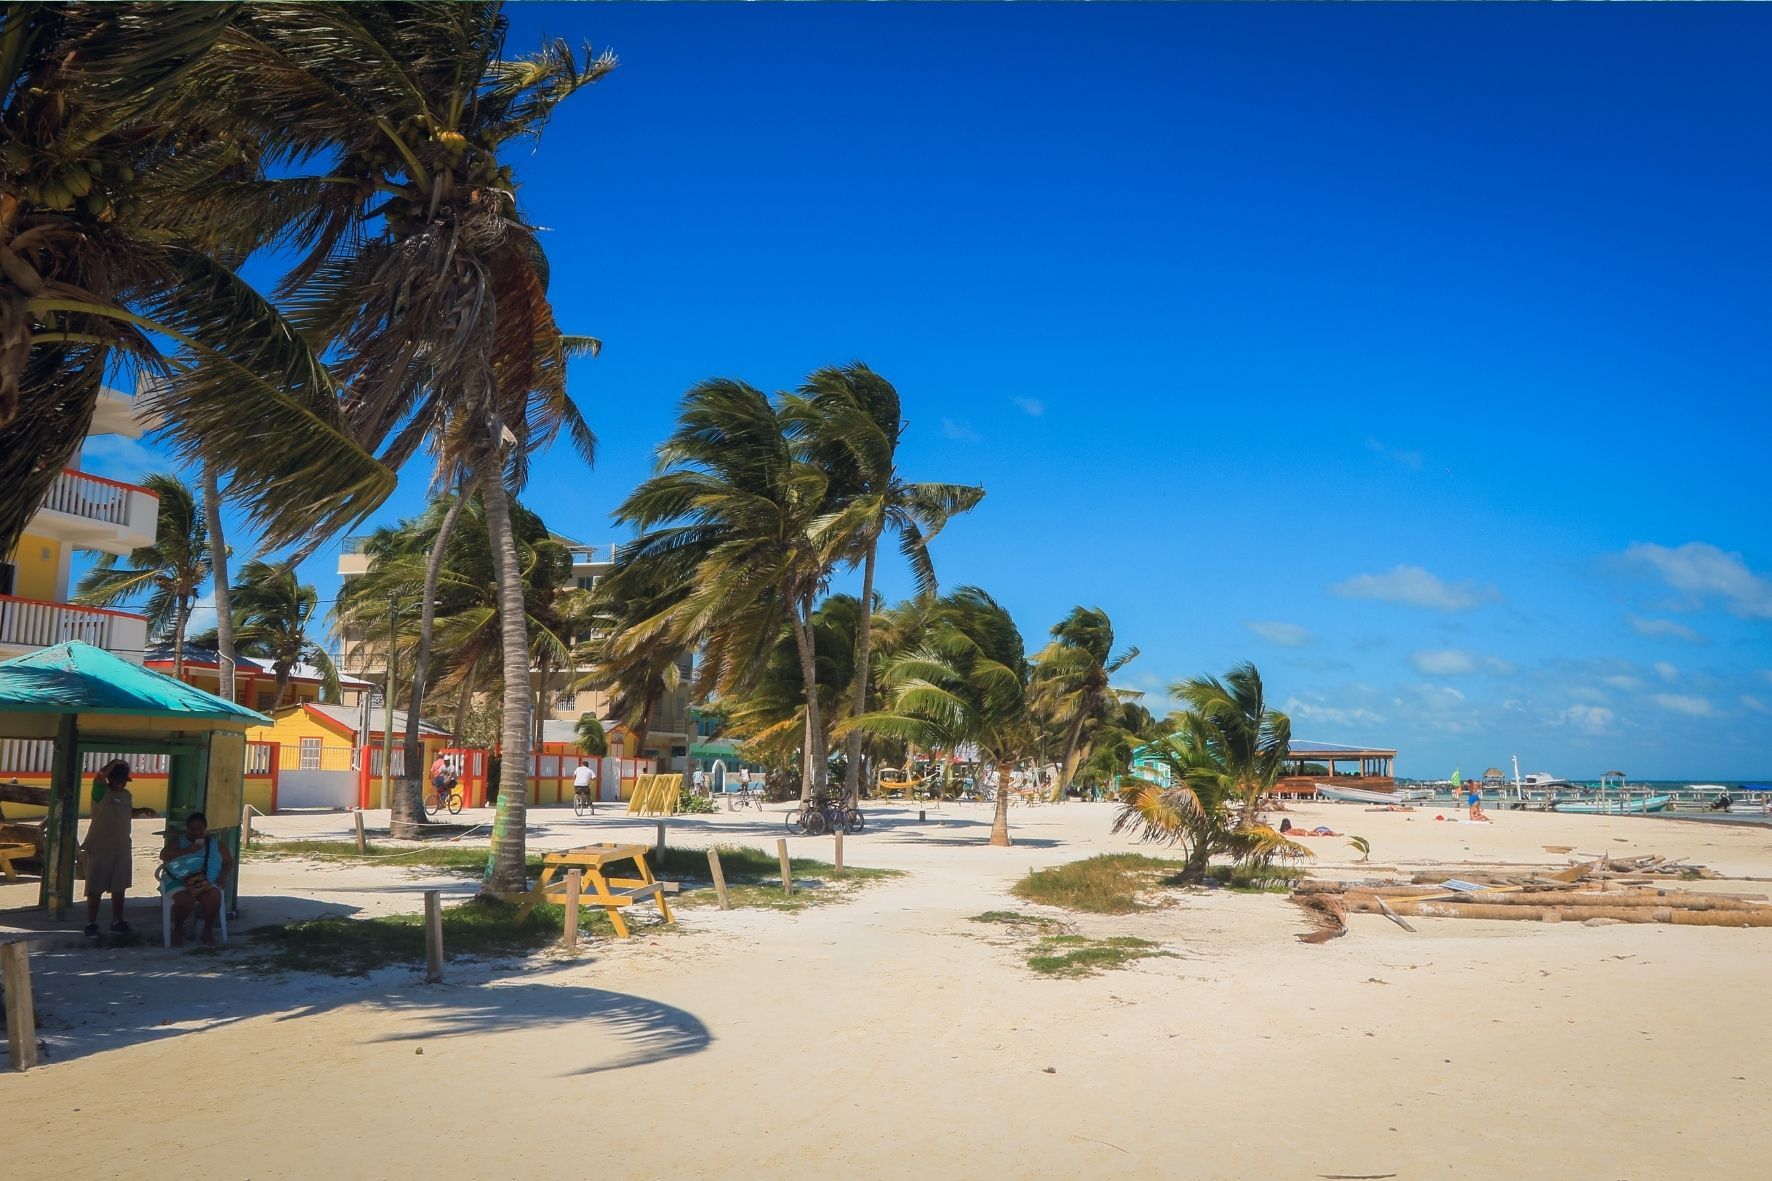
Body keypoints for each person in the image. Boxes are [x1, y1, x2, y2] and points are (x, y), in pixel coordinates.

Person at [160, 811, 233, 947]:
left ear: (205, 828)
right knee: (185, 900)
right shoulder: (179, 842)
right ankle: (178, 929)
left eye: (200, 828)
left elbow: (228, 861)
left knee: (214, 896)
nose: (196, 832)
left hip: (205, 879)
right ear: (187, 829)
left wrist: (223, 875)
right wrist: (188, 850)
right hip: (178, 879)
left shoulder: (215, 844)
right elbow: (163, 856)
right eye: (192, 829)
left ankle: (207, 930)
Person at [80, 760, 136, 937]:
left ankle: (117, 921)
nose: (120, 783)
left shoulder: (126, 795)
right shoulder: (101, 792)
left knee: (120, 885)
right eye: (117, 779)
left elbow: (126, 811)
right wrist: (115, 762)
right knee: (95, 886)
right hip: (100, 846)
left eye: (123, 780)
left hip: (122, 846)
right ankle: (91, 923)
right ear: (110, 779)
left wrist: (142, 810)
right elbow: (99, 776)